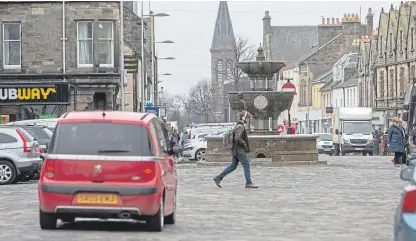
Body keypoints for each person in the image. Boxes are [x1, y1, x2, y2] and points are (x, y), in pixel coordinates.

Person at [213, 110, 258, 189]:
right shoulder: (240, 127)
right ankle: (248, 183)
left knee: (233, 166)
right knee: (246, 165)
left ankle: (218, 178)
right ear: (244, 118)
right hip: (239, 150)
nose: (248, 120)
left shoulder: (238, 125)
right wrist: (244, 144)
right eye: (248, 119)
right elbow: (237, 138)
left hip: (235, 149)